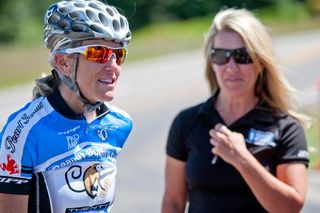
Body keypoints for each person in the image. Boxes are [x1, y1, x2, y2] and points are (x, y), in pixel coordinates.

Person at [161, 8, 310, 213]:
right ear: (211, 63)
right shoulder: (187, 122)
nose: (231, 66)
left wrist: (242, 159)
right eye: (221, 55)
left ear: (261, 62)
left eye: (242, 55)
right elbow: (173, 202)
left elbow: (291, 207)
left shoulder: (286, 127)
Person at [0, 0, 132, 212]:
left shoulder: (120, 124)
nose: (113, 66)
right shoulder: (24, 132)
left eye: (118, 54)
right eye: (98, 53)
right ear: (63, 63)